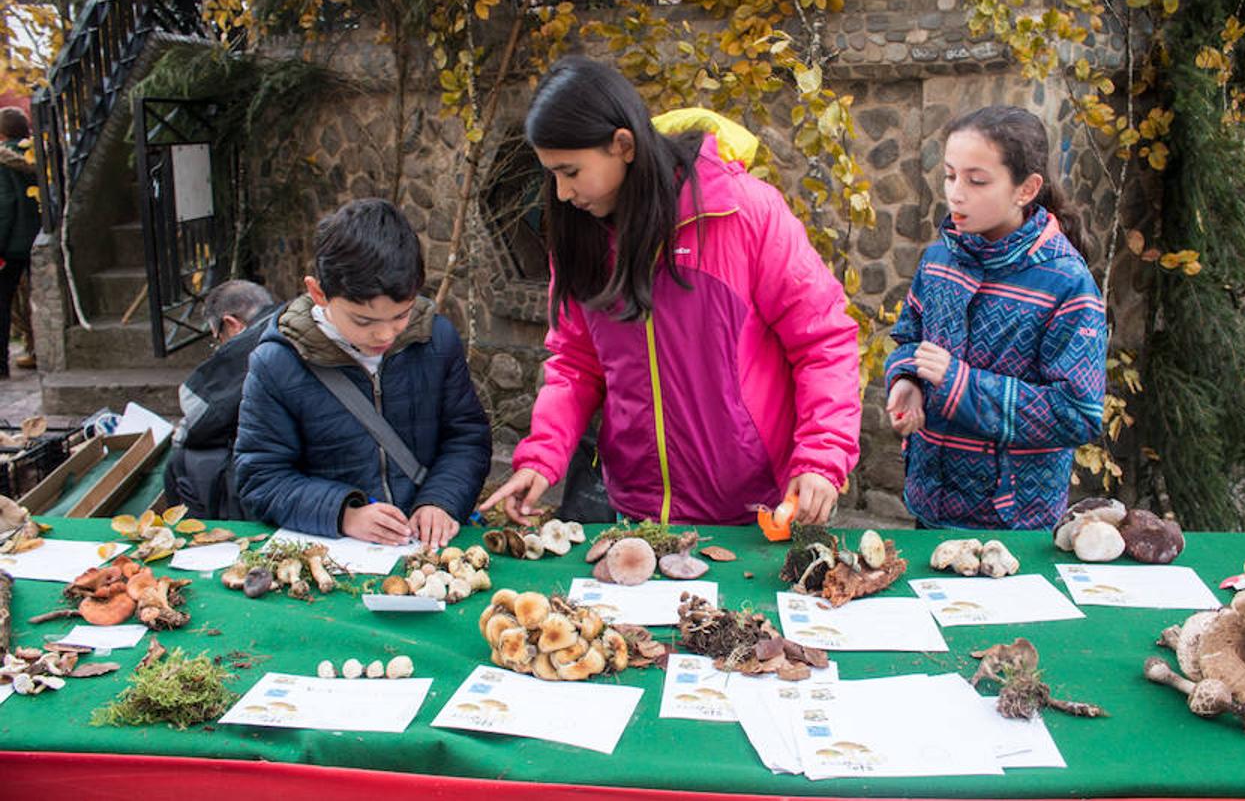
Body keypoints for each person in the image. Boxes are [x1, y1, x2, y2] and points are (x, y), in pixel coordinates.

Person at [481, 56, 861, 527]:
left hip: (756, 512)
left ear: (622, 145)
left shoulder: (743, 212)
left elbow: (823, 340)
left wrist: (823, 455)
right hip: (635, 511)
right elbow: (576, 363)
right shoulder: (580, 235)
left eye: (571, 172)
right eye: (551, 174)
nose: (560, 193)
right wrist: (542, 455)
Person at [884, 105, 1106, 530]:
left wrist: (960, 385)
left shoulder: (1066, 284)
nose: (956, 193)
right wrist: (907, 380)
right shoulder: (939, 260)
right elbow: (908, 339)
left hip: (1015, 526)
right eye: (950, 175)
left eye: (977, 180)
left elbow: (1077, 413)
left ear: (1026, 189)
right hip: (929, 508)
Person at [234, 198, 491, 547]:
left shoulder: (435, 340)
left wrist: (441, 500)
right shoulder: (277, 364)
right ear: (318, 293)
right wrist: (344, 514)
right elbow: (261, 477)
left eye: (401, 315)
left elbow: (466, 437)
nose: (385, 335)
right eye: (364, 321)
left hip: (426, 547)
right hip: (333, 552)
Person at [163, 279, 281, 519]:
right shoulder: (287, 319)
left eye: (217, 338)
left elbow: (200, 425)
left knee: (182, 461)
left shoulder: (254, 342)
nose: (219, 346)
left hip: (283, 470)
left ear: (232, 325)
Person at [0, 108, 41, 378]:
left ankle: (0, 364)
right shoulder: (37, 156)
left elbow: (5, 204)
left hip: (12, 244)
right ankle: (39, 354)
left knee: (3, 303)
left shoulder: (2, 160)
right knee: (39, 302)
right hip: (39, 240)